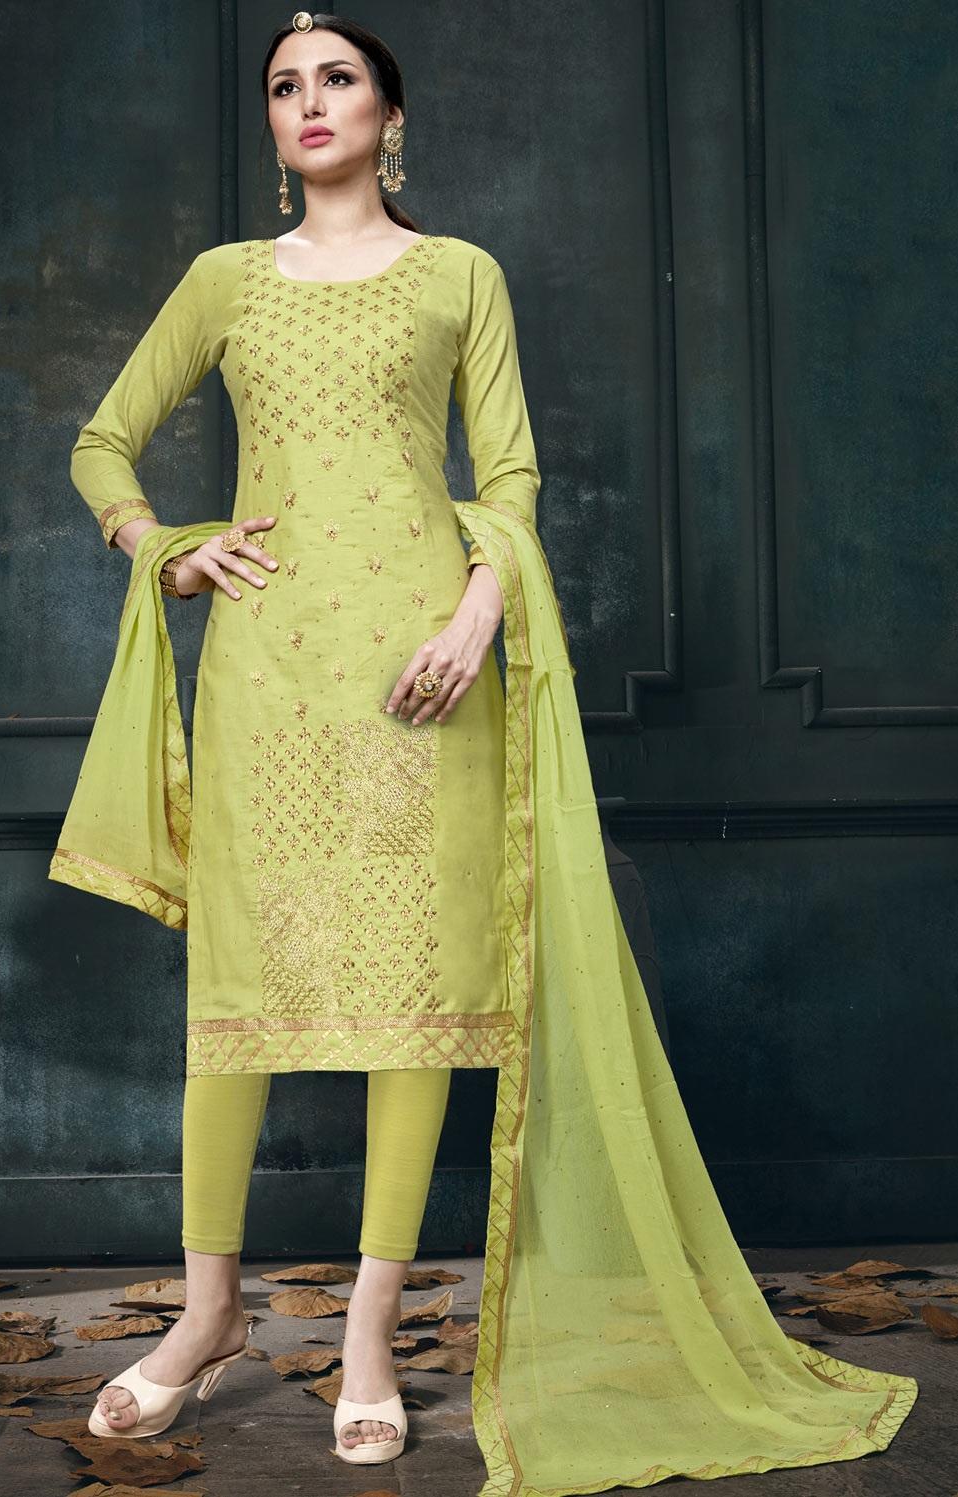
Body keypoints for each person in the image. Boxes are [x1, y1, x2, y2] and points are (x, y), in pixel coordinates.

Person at [50, 10, 918, 1491]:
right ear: (271, 125)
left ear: (391, 115)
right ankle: (207, 1314)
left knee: (416, 1004)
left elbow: (507, 474)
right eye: (284, 86)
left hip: (425, 675)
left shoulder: (461, 275)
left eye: (337, 80)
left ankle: (370, 1337)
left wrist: (476, 612)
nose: (309, 102)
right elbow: (100, 442)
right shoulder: (224, 281)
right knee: (237, 996)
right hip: (266, 678)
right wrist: (164, 549)